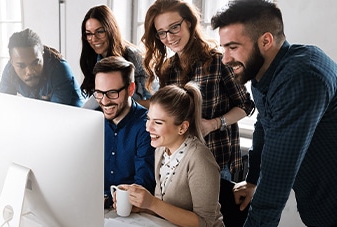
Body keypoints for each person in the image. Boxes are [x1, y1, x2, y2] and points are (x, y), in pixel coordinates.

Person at [211, 1, 337, 226]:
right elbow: (264, 123)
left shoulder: (301, 76)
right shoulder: (266, 72)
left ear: (266, 41)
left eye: (233, 47)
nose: (225, 59)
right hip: (318, 203)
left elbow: (277, 177)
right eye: (223, 48)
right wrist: (252, 180)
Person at [142, 0, 255, 181]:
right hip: (180, 163)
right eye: (162, 33)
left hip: (217, 161)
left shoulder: (218, 61)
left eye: (174, 27)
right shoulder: (167, 69)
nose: (169, 37)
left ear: (188, 22)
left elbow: (246, 106)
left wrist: (214, 124)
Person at [120, 82, 224, 226]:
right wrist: (142, 206)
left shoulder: (200, 159)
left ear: (182, 127)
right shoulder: (161, 150)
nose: (148, 127)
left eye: (158, 122)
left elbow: (205, 222)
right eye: (148, 119)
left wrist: (152, 204)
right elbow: (166, 207)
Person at [92, 56, 155, 209]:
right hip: (91, 206)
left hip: (129, 211)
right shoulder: (92, 120)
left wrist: (108, 198)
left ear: (130, 89)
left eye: (112, 93)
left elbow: (143, 184)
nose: (105, 101)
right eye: (99, 93)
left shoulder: (147, 125)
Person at [80, 5, 151, 107]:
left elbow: (155, 102)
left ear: (111, 30)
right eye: (89, 34)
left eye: (100, 32)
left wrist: (123, 106)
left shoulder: (134, 56)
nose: (94, 39)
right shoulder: (93, 59)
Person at [0, 28, 84, 107]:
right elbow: (4, 106)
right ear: (12, 62)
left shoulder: (59, 69)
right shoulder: (9, 70)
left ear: (42, 54)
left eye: (35, 63)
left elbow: (56, 115)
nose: (30, 72)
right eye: (21, 66)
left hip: (77, 115)